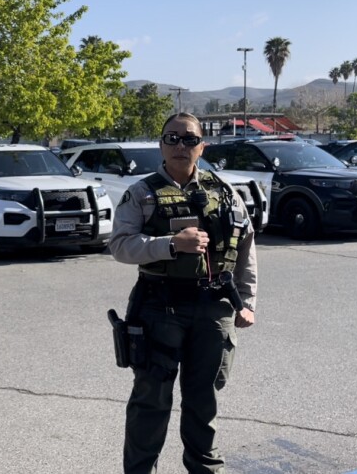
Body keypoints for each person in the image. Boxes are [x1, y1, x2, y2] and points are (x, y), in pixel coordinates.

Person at [109, 112, 257, 473]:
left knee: (203, 402)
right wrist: (170, 244)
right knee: (151, 402)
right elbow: (120, 246)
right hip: (159, 306)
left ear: (201, 146)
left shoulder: (224, 191)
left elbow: (246, 244)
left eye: (189, 139)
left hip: (213, 308)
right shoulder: (141, 193)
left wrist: (247, 300)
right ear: (161, 145)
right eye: (172, 138)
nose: (180, 145)